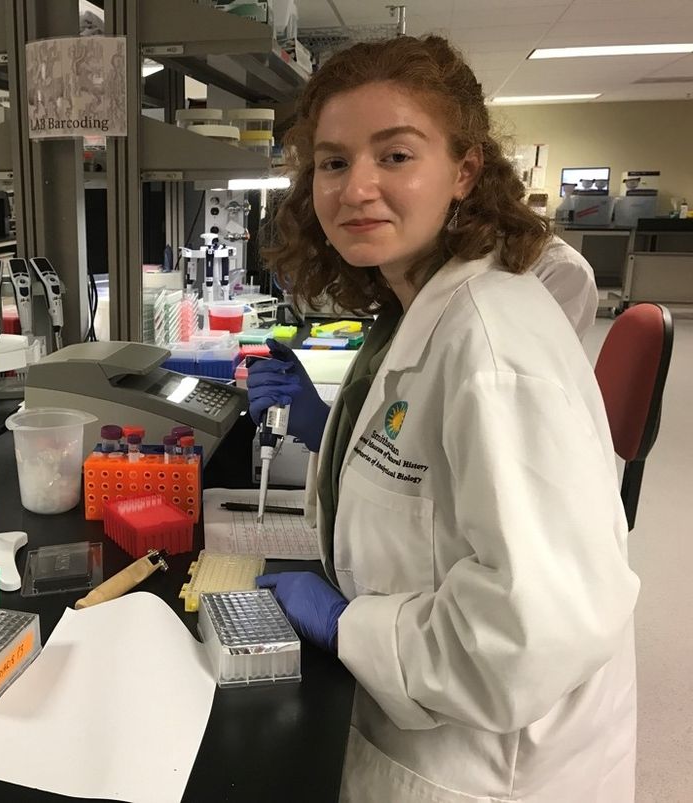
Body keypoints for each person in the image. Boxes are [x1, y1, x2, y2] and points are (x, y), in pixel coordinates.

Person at [248, 36, 638, 802]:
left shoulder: (493, 346)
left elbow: (530, 632)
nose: (356, 186)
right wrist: (331, 424)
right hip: (429, 731)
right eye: (333, 161)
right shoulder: (419, 305)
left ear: (464, 170)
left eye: (395, 155)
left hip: (486, 768)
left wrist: (345, 622)